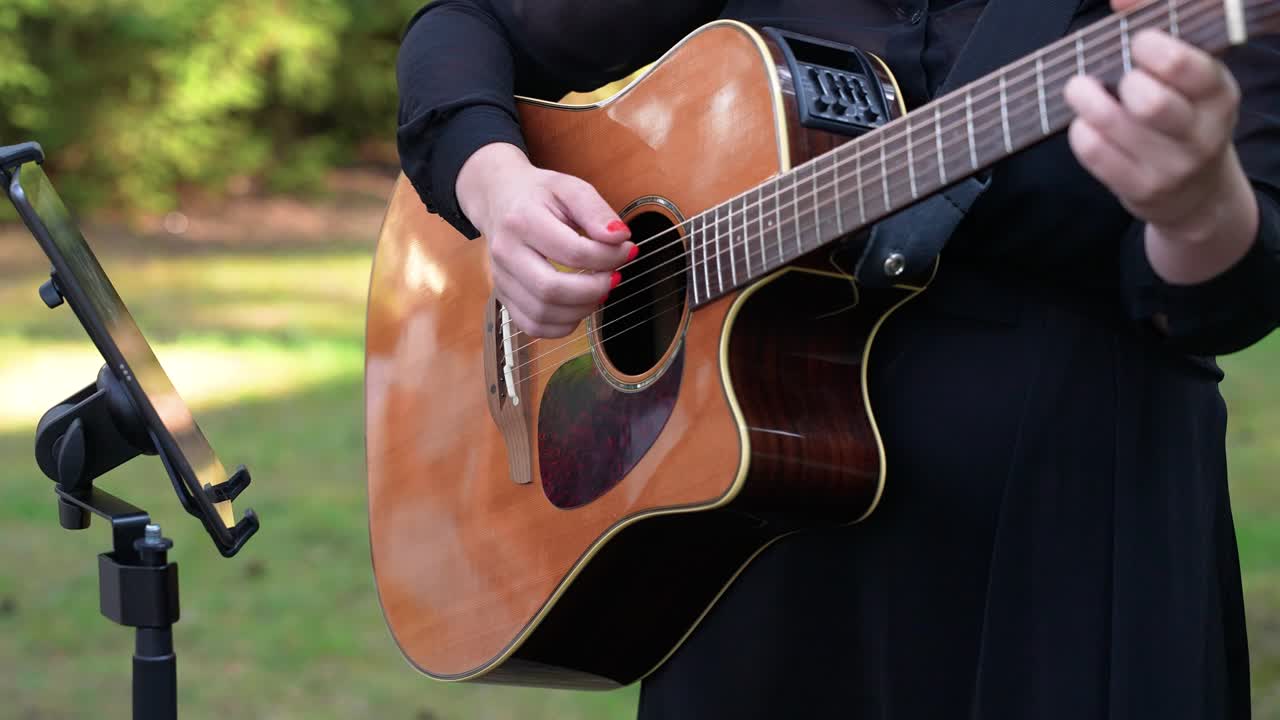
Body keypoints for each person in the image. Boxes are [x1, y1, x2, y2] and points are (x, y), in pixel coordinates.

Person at [395, 1, 1280, 717]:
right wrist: (499, 187)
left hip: (1064, 551)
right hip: (749, 545)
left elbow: (1233, 294)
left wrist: (1199, 205)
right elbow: (468, 32)